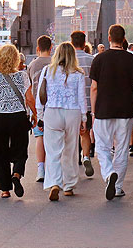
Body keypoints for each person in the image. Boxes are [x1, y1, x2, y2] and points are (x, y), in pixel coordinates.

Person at [90, 24, 133, 200]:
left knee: (102, 146)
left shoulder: (99, 59)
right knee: (121, 149)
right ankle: (118, 186)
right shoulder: (131, 60)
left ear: (109, 37)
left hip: (103, 110)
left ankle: (108, 173)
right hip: (126, 110)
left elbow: (94, 88)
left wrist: (93, 112)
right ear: (124, 38)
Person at [36, 42, 88, 201]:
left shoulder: (47, 71)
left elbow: (40, 96)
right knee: (70, 150)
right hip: (72, 112)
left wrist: (40, 115)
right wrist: (84, 118)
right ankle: (69, 185)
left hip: (52, 111)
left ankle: (54, 183)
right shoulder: (78, 74)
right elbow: (81, 98)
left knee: (52, 150)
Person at [0, 44, 33, 199]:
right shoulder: (22, 76)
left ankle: (5, 189)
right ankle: (16, 174)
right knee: (21, 149)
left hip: (0, 117)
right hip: (18, 116)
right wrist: (36, 114)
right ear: (15, 59)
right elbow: (29, 98)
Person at [26, 35, 53, 183]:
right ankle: (52, 168)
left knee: (39, 137)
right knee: (54, 138)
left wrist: (31, 111)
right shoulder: (55, 63)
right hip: (53, 106)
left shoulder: (32, 65)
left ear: (37, 48)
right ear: (51, 48)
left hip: (37, 106)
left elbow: (28, 88)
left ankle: (40, 169)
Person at [71, 31, 96, 178]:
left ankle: (75, 159)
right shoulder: (91, 59)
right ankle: (86, 156)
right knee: (85, 132)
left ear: (71, 42)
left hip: (72, 103)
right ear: (84, 42)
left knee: (72, 134)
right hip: (87, 102)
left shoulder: (68, 59)